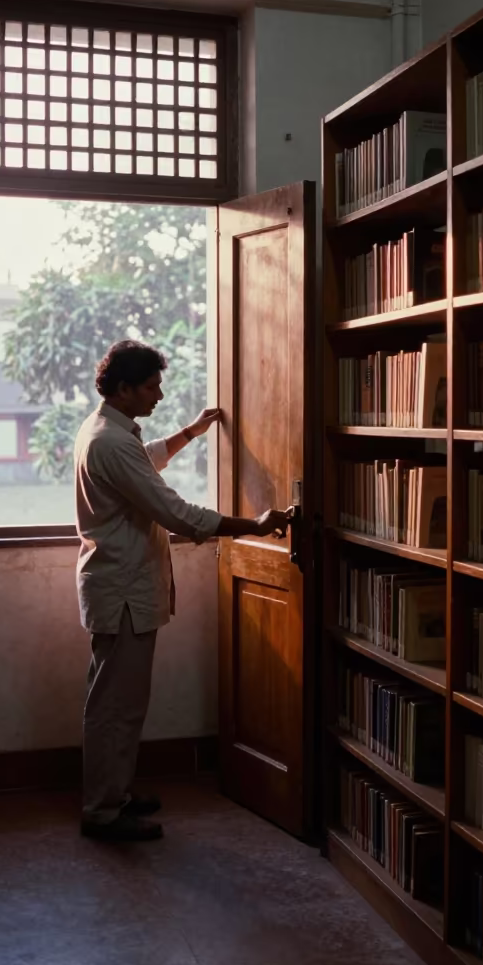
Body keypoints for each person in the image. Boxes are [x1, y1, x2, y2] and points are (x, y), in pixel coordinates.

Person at [74, 339, 289, 842]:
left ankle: (113, 795)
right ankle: (104, 811)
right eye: (151, 386)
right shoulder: (110, 441)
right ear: (124, 389)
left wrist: (191, 433)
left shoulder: (106, 429)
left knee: (115, 702)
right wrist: (252, 527)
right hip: (122, 590)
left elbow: (143, 462)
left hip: (117, 586)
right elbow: (173, 510)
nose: (160, 394)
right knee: (116, 707)